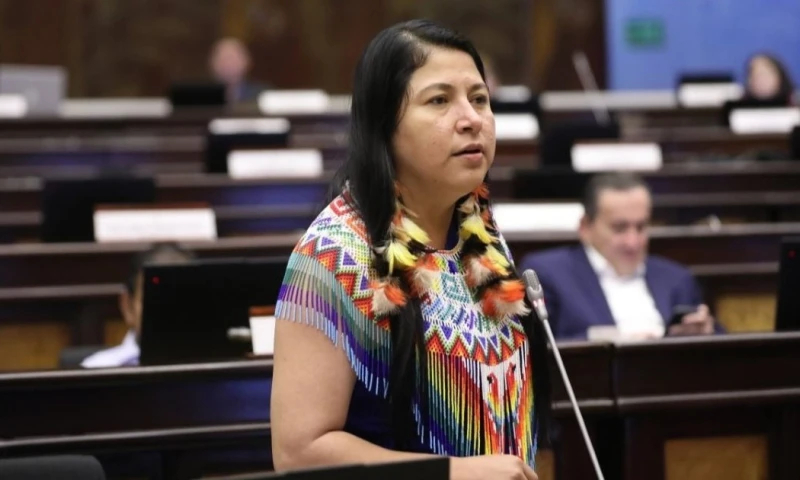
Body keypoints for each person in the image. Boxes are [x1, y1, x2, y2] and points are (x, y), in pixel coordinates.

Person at [270, 20, 550, 480]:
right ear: (383, 125)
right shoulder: (331, 255)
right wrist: (454, 472)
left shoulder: (480, 237)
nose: (471, 118)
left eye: (479, 99)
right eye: (439, 100)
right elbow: (300, 451)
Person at [520, 172, 723, 341]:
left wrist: (706, 331)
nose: (632, 242)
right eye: (619, 228)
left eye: (641, 227)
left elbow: (725, 343)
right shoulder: (548, 274)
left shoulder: (677, 278)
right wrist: (616, 338)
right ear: (585, 227)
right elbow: (535, 349)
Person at [81, 243, 195, 368]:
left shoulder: (218, 370)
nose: (170, 312)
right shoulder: (95, 371)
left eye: (180, 299)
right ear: (127, 306)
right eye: (157, 299)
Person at [208, 37, 266, 104]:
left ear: (246, 62)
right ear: (212, 64)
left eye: (232, 58)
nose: (227, 64)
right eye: (222, 59)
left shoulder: (262, 95)